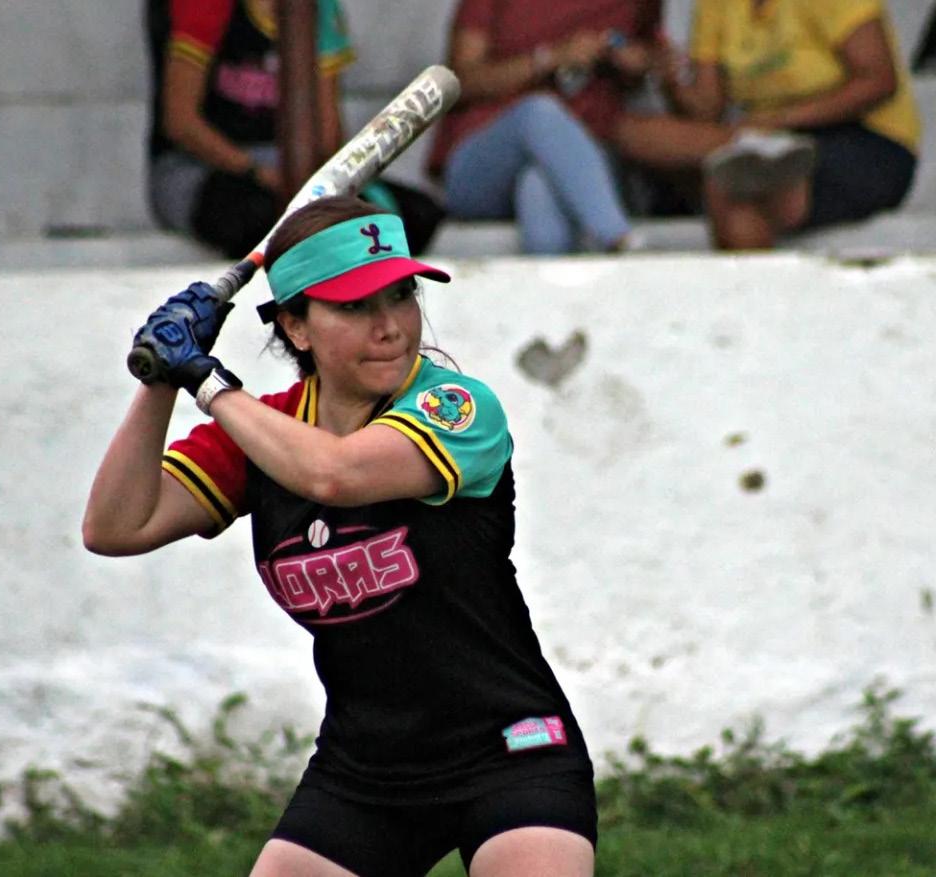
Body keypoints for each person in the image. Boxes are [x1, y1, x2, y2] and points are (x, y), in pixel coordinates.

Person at [83, 195, 597, 877]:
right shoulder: (264, 433)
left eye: (401, 295)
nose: (389, 327)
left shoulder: (455, 408)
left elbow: (334, 474)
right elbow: (116, 525)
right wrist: (161, 376)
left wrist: (205, 381)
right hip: (366, 770)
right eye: (355, 306)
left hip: (510, 748)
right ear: (295, 326)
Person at [145, 0, 445, 260]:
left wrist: (323, 185)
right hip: (200, 168)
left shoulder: (317, 8)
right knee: (264, 220)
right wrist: (259, 173)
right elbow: (180, 123)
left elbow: (328, 136)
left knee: (412, 217)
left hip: (294, 171)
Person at [613, 0, 921, 251]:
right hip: (764, 139)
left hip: (863, 138)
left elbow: (879, 81)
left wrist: (779, 120)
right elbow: (706, 111)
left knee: (735, 191)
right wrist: (670, 80)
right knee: (628, 132)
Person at [427, 0, 664, 255]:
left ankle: (555, 279)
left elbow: (654, 57)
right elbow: (459, 82)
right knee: (539, 111)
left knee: (538, 184)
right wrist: (549, 58)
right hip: (481, 166)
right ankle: (620, 240)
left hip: (582, 163)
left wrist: (634, 61)